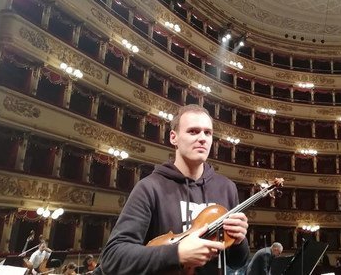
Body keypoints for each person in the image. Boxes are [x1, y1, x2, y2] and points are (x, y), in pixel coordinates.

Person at [96, 104, 250, 274]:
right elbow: (112, 258)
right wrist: (176, 254)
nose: (202, 138)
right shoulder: (149, 188)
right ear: (173, 137)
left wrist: (239, 241)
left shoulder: (227, 188)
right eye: (193, 131)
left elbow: (237, 262)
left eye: (208, 133)